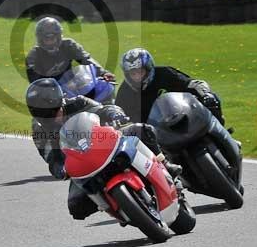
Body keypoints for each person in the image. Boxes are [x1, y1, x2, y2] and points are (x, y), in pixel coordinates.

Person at [26, 78, 180, 221]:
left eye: (55, 110)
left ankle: (165, 164)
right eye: (46, 115)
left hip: (107, 142)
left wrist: (115, 114)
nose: (54, 116)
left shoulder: (77, 102)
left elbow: (103, 109)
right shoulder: (39, 130)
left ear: (61, 101)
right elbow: (51, 157)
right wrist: (60, 169)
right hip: (82, 164)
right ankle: (118, 208)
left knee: (142, 130)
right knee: (76, 207)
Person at [115, 48, 224, 125]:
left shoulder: (165, 73)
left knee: (213, 100)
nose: (137, 77)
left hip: (183, 115)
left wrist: (205, 94)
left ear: (148, 68)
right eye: (133, 74)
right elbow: (120, 116)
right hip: (156, 135)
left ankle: (223, 135)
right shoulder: (124, 92)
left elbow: (193, 84)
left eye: (140, 72)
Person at [25, 17, 115, 83]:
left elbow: (85, 59)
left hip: (71, 86)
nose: (50, 42)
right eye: (46, 39)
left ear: (58, 36)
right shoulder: (33, 56)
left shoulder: (69, 45)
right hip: (49, 92)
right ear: (40, 39)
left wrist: (103, 73)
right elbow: (34, 81)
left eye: (52, 38)